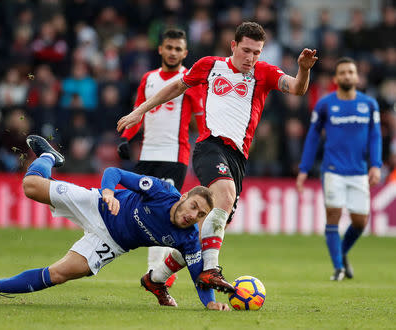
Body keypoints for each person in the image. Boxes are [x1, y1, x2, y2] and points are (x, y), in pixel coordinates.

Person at [117, 22, 318, 293]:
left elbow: (297, 88)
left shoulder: (265, 72)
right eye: (246, 50)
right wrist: (140, 110)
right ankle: (210, 270)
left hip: (238, 156)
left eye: (257, 52)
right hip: (209, 146)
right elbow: (176, 87)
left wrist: (303, 69)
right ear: (233, 45)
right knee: (225, 192)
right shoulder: (210, 65)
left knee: (204, 229)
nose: (251, 58)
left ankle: (156, 278)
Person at [0, 135, 231, 310]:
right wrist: (108, 192)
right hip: (97, 206)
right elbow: (114, 172)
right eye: (193, 206)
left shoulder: (187, 238)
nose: (192, 215)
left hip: (111, 243)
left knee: (58, 274)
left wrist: (210, 304)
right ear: (184, 197)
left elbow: (200, 277)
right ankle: (48, 157)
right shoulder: (161, 191)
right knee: (31, 186)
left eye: (199, 215)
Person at [117, 28, 203, 287]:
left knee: (164, 212)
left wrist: (207, 143)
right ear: (161, 49)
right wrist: (126, 138)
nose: (173, 52)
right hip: (147, 155)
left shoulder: (189, 80)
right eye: (170, 47)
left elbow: (201, 117)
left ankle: (157, 275)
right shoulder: (149, 78)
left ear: (185, 53)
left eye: (178, 49)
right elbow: (138, 112)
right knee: (141, 211)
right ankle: (158, 274)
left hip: (174, 156)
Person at [296, 57, 382, 281]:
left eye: (350, 72)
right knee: (333, 216)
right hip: (333, 169)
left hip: (359, 171)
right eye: (342, 72)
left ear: (357, 77)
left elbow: (375, 137)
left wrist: (376, 165)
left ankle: (342, 253)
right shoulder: (325, 104)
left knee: (360, 222)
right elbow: (313, 137)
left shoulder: (369, 104)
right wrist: (304, 168)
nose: (347, 76)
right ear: (335, 78)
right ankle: (338, 269)